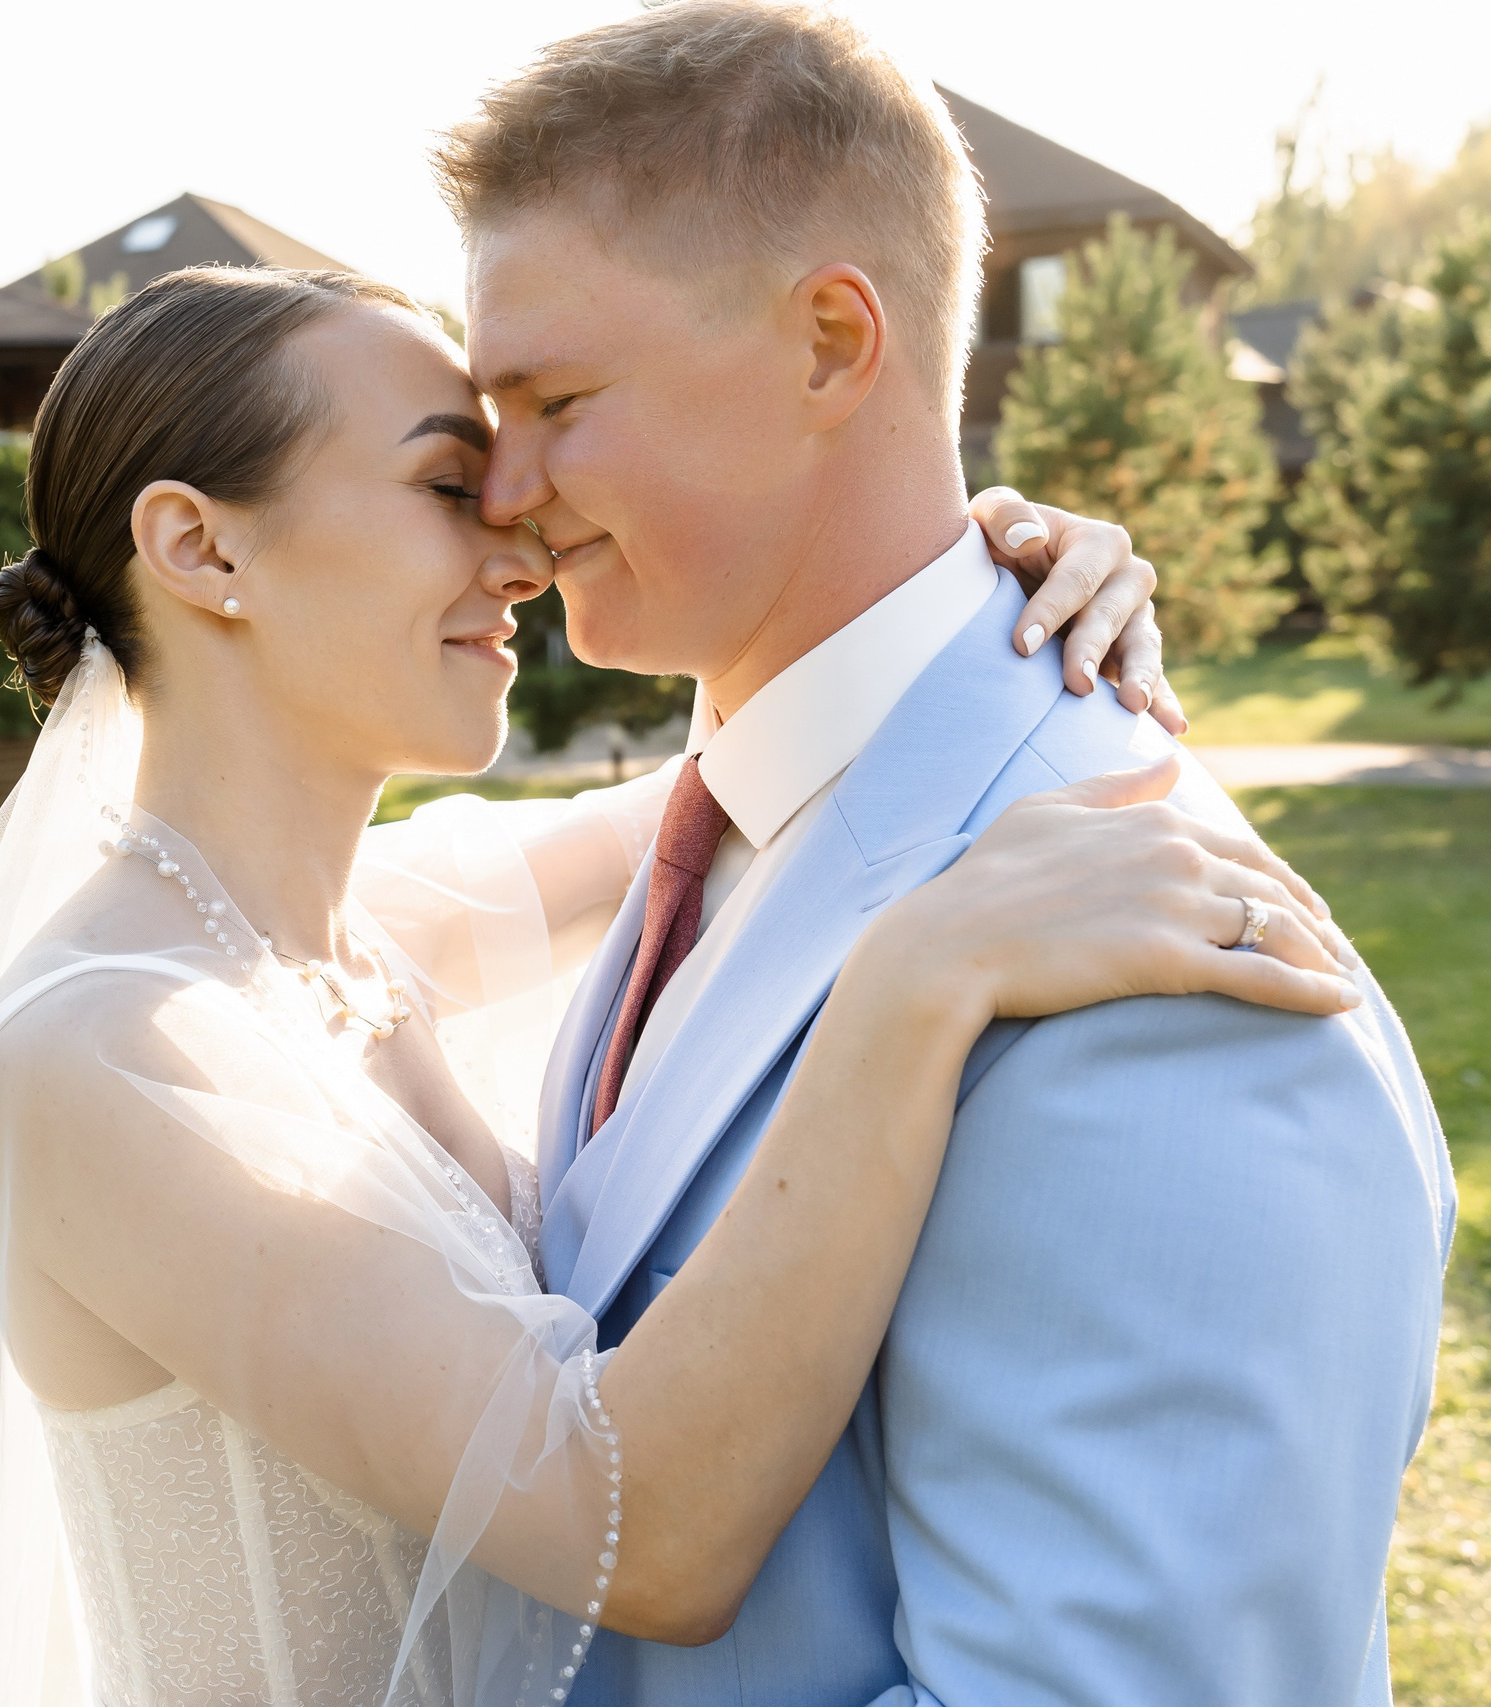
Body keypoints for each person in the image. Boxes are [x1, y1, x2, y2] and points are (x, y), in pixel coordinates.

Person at [0, 260, 1368, 1707]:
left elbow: (809, 743)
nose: (523, 543)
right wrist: (919, 977)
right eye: (449, 485)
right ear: (202, 545)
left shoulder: (367, 927)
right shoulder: (104, 1054)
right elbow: (644, 1532)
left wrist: (1008, 585)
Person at [441, 5, 1453, 1702]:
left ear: (836, 343)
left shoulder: (1155, 984)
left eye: (553, 400)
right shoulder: (728, 822)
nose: (498, 490)